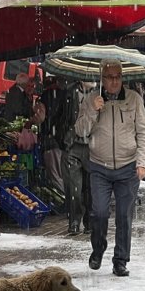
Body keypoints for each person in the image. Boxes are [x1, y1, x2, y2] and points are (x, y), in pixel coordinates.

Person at [74, 60, 145, 277]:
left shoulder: (134, 99)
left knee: (124, 216)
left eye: (118, 76)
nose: (114, 81)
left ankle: (120, 260)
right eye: (110, 77)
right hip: (99, 165)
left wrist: (142, 162)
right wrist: (92, 111)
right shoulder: (90, 99)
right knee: (98, 212)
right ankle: (98, 249)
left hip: (128, 167)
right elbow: (81, 131)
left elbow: (143, 132)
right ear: (102, 79)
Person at [60, 80, 96, 235]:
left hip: (93, 147)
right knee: (74, 188)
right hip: (72, 145)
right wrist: (63, 139)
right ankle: (74, 221)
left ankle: (90, 222)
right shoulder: (69, 93)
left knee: (91, 188)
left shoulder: (101, 94)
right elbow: (60, 116)